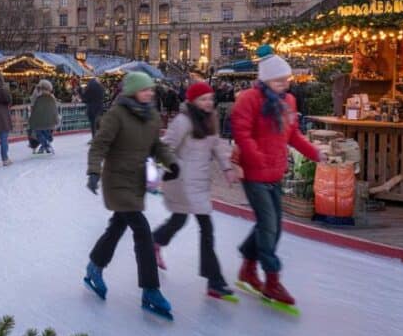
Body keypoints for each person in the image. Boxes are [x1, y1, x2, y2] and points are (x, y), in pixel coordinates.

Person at [83, 71, 179, 319]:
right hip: (117, 182)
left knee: (116, 228)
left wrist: (171, 163)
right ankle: (150, 289)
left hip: (135, 182)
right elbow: (100, 145)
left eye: (151, 89)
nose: (150, 93)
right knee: (142, 232)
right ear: (133, 91)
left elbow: (157, 146)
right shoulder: (117, 115)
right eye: (145, 89)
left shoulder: (152, 116)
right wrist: (94, 172)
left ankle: (94, 267)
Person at [230, 49, 322, 307]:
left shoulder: (288, 102)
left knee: (271, 224)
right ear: (265, 80)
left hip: (275, 171)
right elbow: (242, 133)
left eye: (287, 79)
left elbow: (292, 135)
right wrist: (256, 158)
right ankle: (272, 281)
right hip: (254, 173)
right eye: (279, 80)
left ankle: (248, 266)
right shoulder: (249, 99)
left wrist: (315, 153)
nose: (284, 84)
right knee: (269, 224)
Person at [151, 82, 240, 300]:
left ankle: (155, 242)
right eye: (203, 99)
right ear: (192, 101)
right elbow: (166, 146)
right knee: (189, 223)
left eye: (210, 98)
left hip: (198, 183)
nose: (208, 102)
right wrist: (158, 169)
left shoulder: (211, 119)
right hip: (180, 182)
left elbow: (217, 145)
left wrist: (227, 168)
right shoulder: (183, 121)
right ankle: (214, 280)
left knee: (190, 224)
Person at [28, 78, 59, 154]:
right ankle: (45, 145)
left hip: (38, 117)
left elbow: (33, 105)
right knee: (46, 132)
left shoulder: (36, 93)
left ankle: (45, 145)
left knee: (39, 132)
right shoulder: (50, 96)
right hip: (48, 118)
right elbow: (54, 106)